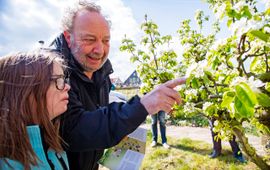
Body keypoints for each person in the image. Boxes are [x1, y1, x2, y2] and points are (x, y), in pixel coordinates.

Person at [50, 1, 186, 169]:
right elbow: (74, 130)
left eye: (106, 40)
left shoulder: (101, 71)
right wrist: (143, 105)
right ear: (68, 37)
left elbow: (99, 114)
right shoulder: (52, 72)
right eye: (90, 39)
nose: (100, 50)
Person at [0, 49, 71, 169]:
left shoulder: (51, 140)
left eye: (63, 79)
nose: (67, 87)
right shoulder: (6, 164)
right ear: (24, 92)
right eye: (57, 80)